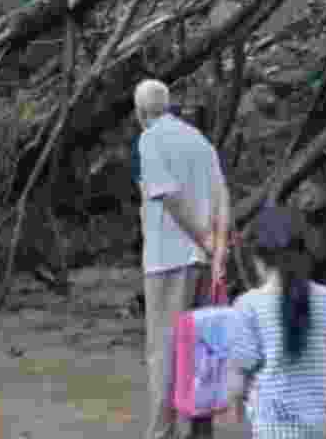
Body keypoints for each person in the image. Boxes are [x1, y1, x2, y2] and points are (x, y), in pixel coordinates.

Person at [133, 79, 230, 439]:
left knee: (164, 351)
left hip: (168, 260)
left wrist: (203, 237)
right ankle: (200, 431)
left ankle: (162, 433)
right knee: (204, 347)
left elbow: (169, 196)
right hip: (205, 261)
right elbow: (223, 195)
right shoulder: (200, 141)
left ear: (141, 112)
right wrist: (217, 249)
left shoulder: (150, 139)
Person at [228, 206, 326, 439]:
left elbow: (238, 377)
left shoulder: (249, 307)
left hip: (269, 429)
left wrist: (236, 413)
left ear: (258, 259)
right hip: (317, 429)